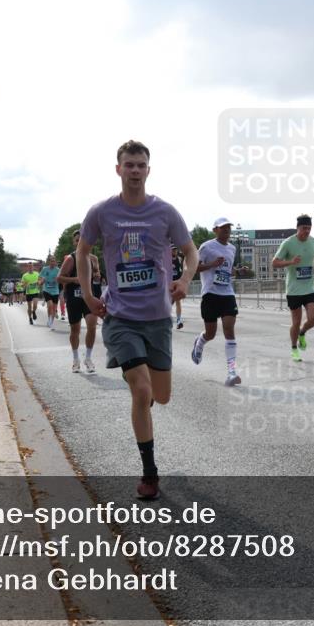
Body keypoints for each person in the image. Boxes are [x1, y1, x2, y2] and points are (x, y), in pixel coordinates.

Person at [76, 140, 197, 500]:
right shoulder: (101, 212)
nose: (134, 171)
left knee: (160, 396)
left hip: (158, 317)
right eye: (128, 165)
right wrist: (87, 294)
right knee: (141, 390)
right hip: (121, 317)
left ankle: (144, 419)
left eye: (140, 165)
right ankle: (150, 473)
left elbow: (190, 251)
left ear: (148, 170)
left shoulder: (165, 212)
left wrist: (185, 280)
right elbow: (83, 251)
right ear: (118, 169)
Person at [191, 217, 241, 386]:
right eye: (223, 228)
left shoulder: (233, 248)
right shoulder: (206, 246)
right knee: (211, 333)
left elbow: (226, 269)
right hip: (210, 294)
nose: (227, 230)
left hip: (227, 293)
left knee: (229, 329)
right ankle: (200, 342)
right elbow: (193, 267)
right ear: (215, 230)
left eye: (229, 227)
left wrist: (236, 271)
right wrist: (212, 264)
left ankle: (232, 372)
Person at [272, 214, 314, 362]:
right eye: (304, 228)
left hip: (310, 288)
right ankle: (294, 349)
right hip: (294, 290)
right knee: (296, 321)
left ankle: (303, 332)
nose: (306, 231)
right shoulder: (288, 243)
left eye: (309, 228)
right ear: (298, 228)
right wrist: (290, 262)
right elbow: (275, 263)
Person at [59, 230, 102, 373]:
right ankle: (76, 359)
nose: (79, 242)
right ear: (74, 242)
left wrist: (96, 275)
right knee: (75, 330)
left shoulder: (94, 258)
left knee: (92, 326)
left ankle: (88, 358)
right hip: (74, 297)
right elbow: (60, 278)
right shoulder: (70, 259)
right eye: (77, 240)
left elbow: (97, 276)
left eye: (82, 240)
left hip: (89, 297)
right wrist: (75, 280)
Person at [38, 256, 61, 329]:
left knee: (54, 308)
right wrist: (41, 282)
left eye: (54, 261)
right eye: (51, 261)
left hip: (55, 291)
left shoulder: (58, 270)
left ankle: (51, 322)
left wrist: (58, 280)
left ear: (56, 262)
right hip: (46, 290)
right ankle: (49, 318)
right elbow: (40, 278)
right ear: (49, 262)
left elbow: (61, 279)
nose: (53, 263)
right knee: (50, 305)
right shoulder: (45, 269)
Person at [171, 246, 184, 329]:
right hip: (169, 284)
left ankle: (179, 320)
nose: (175, 251)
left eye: (176, 250)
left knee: (178, 302)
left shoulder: (179, 259)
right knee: (169, 303)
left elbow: (181, 270)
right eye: (173, 250)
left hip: (177, 283)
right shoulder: (166, 259)